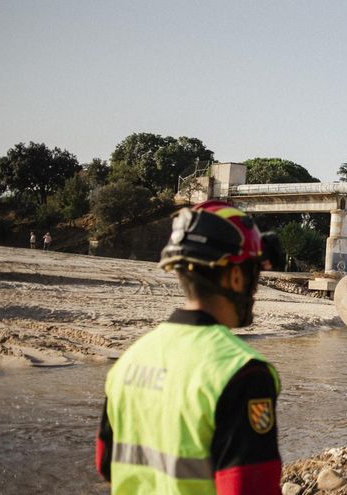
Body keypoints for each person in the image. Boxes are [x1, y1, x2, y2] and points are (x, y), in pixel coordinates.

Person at [95, 200, 282, 494]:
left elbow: (105, 465)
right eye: (253, 275)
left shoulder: (129, 361)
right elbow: (249, 487)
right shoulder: (243, 373)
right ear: (235, 277)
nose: (255, 289)